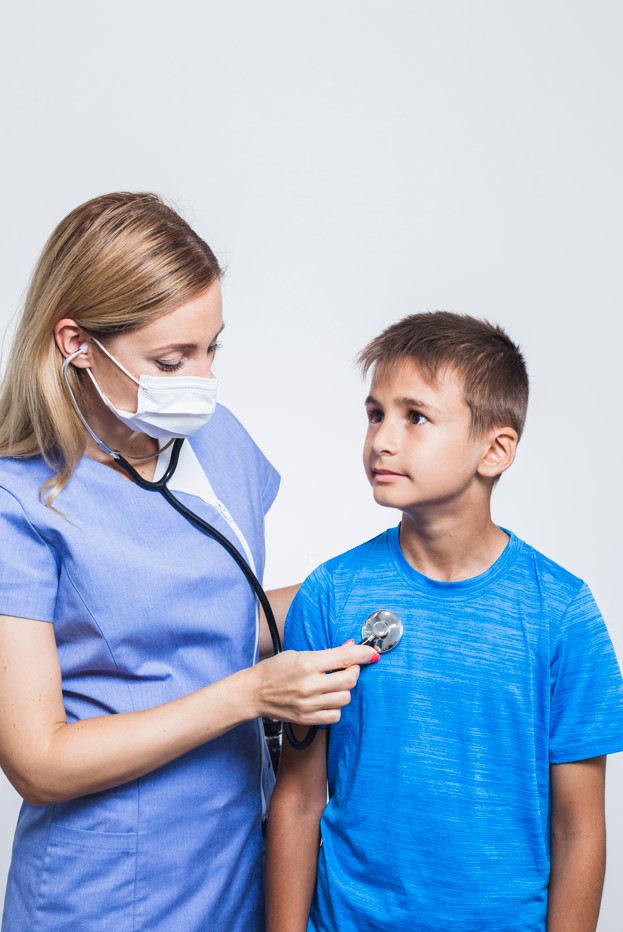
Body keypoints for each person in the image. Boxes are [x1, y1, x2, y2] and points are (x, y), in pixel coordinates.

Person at [0, 192, 378, 931]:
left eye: (212, 350)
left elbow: (225, 623)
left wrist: (375, 582)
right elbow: (38, 763)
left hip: (235, 867)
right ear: (76, 342)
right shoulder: (18, 502)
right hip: (104, 890)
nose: (201, 381)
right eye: (172, 360)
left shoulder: (217, 440)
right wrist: (250, 695)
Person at [266, 311, 623, 931]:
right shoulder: (329, 595)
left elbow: (579, 828)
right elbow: (297, 800)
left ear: (495, 450)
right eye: (375, 414)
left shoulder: (562, 613)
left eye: (415, 417)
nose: (382, 439)